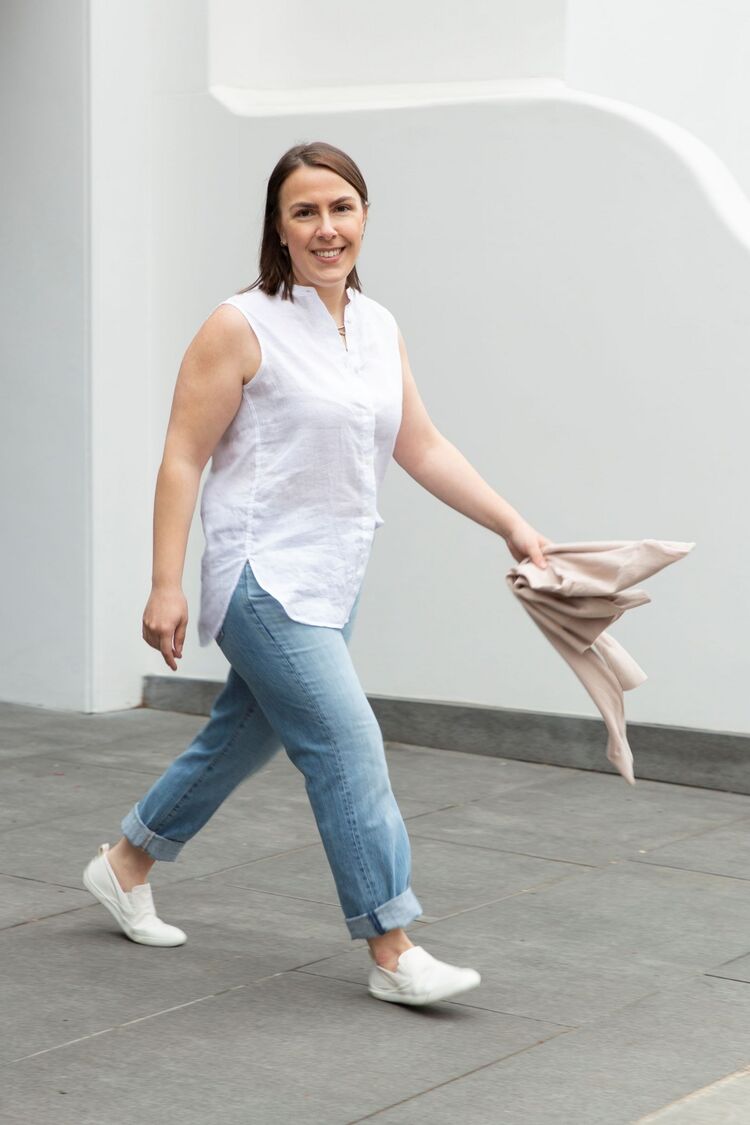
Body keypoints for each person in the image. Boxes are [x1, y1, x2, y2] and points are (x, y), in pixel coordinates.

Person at [82, 141, 552, 1007]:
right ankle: (393, 944)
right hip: (262, 578)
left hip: (335, 575)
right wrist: (165, 581)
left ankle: (126, 861)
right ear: (279, 227)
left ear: (364, 215)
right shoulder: (241, 324)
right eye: (305, 211)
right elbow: (183, 457)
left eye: (341, 207)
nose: (326, 227)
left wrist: (512, 524)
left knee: (245, 734)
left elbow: (421, 444)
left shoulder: (376, 328)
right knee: (346, 743)